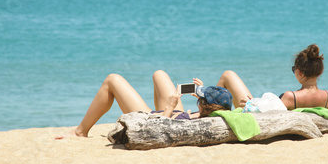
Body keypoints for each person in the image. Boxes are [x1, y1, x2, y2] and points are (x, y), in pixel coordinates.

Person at [57, 70, 232, 138]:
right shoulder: (211, 114)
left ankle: (81, 131)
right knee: (159, 74)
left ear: (206, 106)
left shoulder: (203, 122)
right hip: (174, 114)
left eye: (200, 100)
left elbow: (159, 130)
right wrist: (203, 94)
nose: (198, 101)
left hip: (154, 119)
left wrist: (170, 108)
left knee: (113, 80)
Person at [216, 44, 328, 110]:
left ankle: (210, 110)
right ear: (319, 71)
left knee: (228, 75)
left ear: (299, 72)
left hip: (255, 121)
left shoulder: (291, 97)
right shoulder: (326, 97)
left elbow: (266, 114)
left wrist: (251, 104)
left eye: (294, 69)